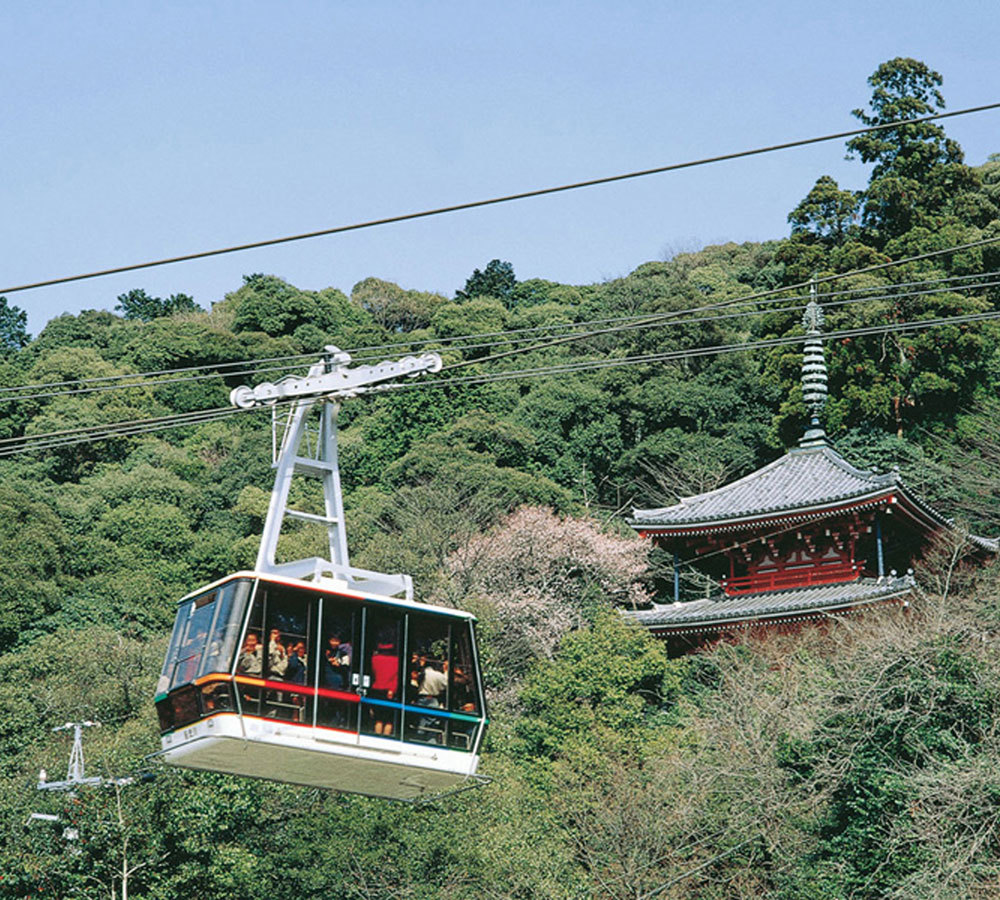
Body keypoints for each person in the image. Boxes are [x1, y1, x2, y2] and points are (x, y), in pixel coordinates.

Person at [369, 637, 399, 736]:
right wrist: (392, 690)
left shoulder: (374, 659)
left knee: (378, 719)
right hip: (389, 692)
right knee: (389, 720)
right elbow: (396, 678)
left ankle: (377, 737)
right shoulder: (397, 661)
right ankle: (385, 739)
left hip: (376, 690)